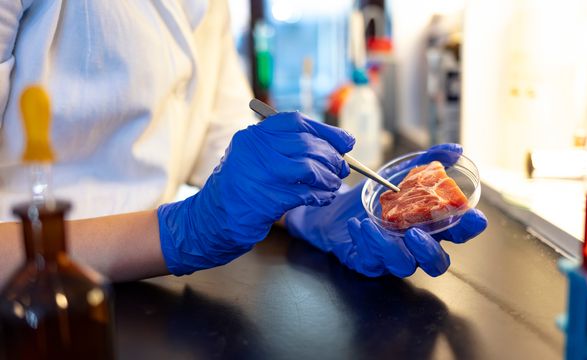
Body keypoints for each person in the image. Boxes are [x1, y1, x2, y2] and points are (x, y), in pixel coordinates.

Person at [0, 0, 487, 286]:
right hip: (28, 305)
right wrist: (181, 231)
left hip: (146, 297)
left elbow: (222, 129)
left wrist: (304, 205)